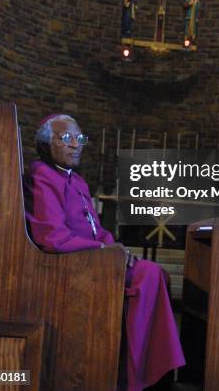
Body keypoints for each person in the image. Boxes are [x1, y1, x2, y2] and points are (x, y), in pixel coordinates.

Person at [24, 114, 185, 390]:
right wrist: (103, 250)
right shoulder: (42, 175)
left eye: (80, 138)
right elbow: (52, 236)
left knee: (156, 274)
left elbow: (97, 229)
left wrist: (113, 246)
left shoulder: (78, 181)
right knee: (149, 275)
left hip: (94, 258)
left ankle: (150, 369)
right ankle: (136, 375)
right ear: (44, 144)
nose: (76, 145)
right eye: (66, 138)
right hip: (70, 264)